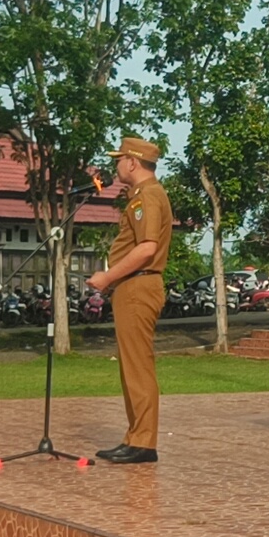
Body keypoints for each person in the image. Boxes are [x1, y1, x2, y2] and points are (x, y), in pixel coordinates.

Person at [90, 137, 173, 465]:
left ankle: (143, 442)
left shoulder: (148, 197)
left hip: (138, 287)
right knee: (131, 366)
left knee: (138, 366)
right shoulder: (140, 196)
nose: (116, 165)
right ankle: (135, 436)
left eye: (119, 159)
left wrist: (106, 278)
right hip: (132, 288)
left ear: (133, 162)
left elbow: (146, 248)